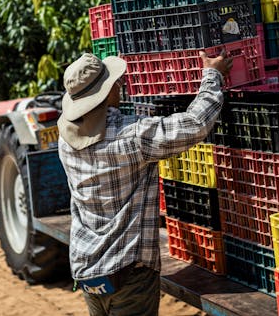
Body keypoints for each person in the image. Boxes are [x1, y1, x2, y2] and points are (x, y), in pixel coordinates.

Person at [57, 50, 233, 316]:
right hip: (127, 275)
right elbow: (195, 124)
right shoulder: (132, 137)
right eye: (114, 83)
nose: (119, 86)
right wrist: (213, 75)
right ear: (105, 95)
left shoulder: (65, 141)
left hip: (87, 271)